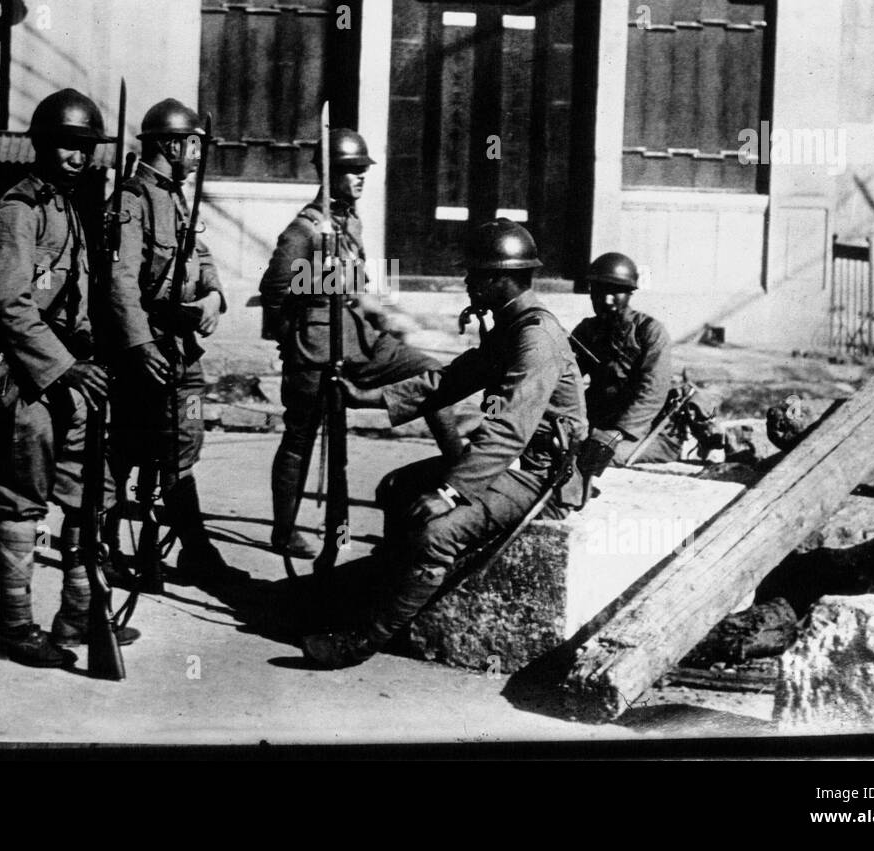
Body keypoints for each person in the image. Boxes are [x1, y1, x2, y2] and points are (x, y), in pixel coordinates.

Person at [301, 219, 587, 668]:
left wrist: (450, 492)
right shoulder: (513, 325)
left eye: (475, 274)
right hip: (511, 466)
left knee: (437, 533)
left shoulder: (535, 338)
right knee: (396, 487)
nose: (466, 282)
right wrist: (368, 399)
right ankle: (393, 599)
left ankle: (363, 639)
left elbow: (510, 428)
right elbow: (449, 381)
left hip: (540, 478)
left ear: (500, 278)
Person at [0, 88, 136, 667]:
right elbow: (8, 305)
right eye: (68, 146)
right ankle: (14, 626)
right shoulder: (18, 209)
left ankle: (78, 617)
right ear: (43, 145)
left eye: (86, 148)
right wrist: (66, 366)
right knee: (24, 499)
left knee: (87, 494)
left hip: (73, 375)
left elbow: (81, 300)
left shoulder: (69, 204)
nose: (78, 157)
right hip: (27, 378)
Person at [258, 128, 463, 558]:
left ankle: (463, 476)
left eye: (362, 171)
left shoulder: (351, 222)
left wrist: (384, 313)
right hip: (316, 347)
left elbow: (361, 285)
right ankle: (283, 529)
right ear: (328, 173)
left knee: (434, 375)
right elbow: (274, 291)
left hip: (362, 342)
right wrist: (291, 344)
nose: (360, 178)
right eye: (350, 171)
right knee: (301, 437)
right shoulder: (304, 229)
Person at [101, 97, 241, 585]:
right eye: (192, 144)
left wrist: (213, 298)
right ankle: (109, 545)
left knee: (184, 438)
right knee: (127, 449)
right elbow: (119, 282)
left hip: (182, 347)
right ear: (167, 144)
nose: (199, 153)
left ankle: (190, 548)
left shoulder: (180, 196)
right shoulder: (131, 200)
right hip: (145, 347)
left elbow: (199, 255)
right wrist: (139, 346)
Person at [570, 252, 683, 475]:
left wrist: (619, 432)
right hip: (600, 423)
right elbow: (565, 377)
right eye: (599, 291)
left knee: (590, 458)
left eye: (615, 292)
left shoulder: (650, 332)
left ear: (630, 293)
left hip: (647, 430)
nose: (606, 300)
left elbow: (652, 393)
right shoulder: (587, 331)